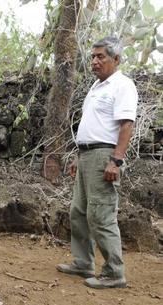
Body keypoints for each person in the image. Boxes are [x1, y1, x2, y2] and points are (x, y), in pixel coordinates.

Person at [56, 36, 138, 289]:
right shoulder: (96, 87)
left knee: (101, 215)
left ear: (116, 59)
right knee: (78, 212)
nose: (94, 61)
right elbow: (91, 126)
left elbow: (126, 125)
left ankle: (114, 273)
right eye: (92, 56)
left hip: (104, 156)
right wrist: (78, 157)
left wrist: (116, 161)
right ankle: (83, 263)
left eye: (100, 56)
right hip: (86, 155)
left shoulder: (122, 85)